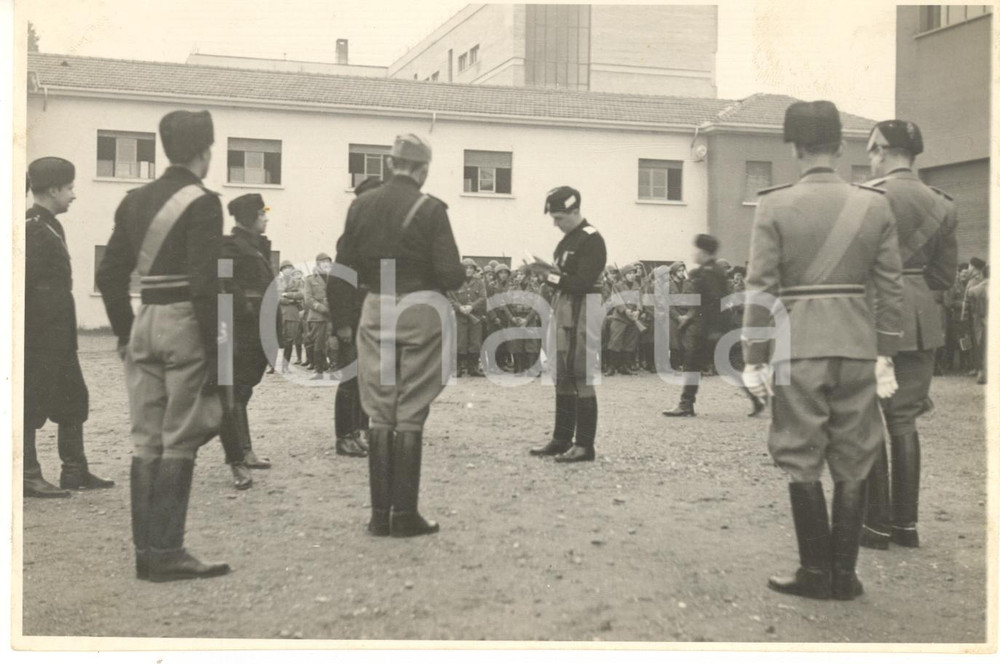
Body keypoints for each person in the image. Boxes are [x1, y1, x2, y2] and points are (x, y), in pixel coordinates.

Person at [742, 100, 903, 600]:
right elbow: (891, 289)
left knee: (800, 454)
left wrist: (752, 357)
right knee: (855, 457)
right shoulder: (874, 204)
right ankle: (845, 575)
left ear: (793, 147)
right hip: (857, 345)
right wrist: (886, 352)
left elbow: (760, 288)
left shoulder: (773, 205)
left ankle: (815, 572)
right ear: (839, 145)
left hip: (797, 347)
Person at [97, 109, 229, 581]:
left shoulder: (134, 200)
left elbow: (109, 274)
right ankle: (169, 550)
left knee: (145, 440)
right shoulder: (205, 202)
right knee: (179, 440)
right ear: (204, 151)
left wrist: (122, 331)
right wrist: (220, 349)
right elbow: (205, 283)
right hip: (185, 322)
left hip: (145, 319)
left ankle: (145, 554)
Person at [330, 133, 465, 537]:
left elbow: (343, 268)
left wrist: (345, 316)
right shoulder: (431, 209)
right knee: (410, 411)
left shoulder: (360, 206)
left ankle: (379, 516)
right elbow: (451, 274)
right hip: (420, 308)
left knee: (380, 409)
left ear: (390, 165)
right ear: (423, 169)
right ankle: (404, 515)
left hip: (375, 307)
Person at [859, 120, 958, 550]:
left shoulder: (868, 196)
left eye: (871, 149)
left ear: (882, 148)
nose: (870, 157)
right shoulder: (942, 203)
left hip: (871, 314)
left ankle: (875, 526)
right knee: (904, 420)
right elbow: (943, 276)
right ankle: (906, 526)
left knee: (866, 419)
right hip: (920, 320)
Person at [24, 157, 114, 497]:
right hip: (38, 336)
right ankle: (27, 474)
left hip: (58, 334)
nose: (74, 195)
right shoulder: (33, 227)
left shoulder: (48, 224)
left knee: (73, 398)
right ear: (53, 190)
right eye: (70, 188)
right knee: (30, 403)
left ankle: (74, 470)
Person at [527, 186, 607, 463]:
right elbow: (564, 277)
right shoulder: (567, 241)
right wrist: (547, 270)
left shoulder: (591, 239)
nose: (555, 223)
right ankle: (561, 439)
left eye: (560, 217)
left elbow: (582, 282)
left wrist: (547, 276)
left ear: (575, 211)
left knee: (581, 372)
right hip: (565, 306)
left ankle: (585, 445)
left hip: (584, 307)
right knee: (561, 372)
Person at [663, 234, 764, 417]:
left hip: (710, 329)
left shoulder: (710, 273)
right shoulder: (711, 270)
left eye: (697, 250)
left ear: (704, 252)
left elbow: (716, 303)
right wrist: (691, 317)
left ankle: (686, 405)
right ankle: (756, 398)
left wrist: (712, 329)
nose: (694, 254)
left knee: (696, 364)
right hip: (710, 328)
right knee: (722, 367)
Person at [216, 193, 277, 490]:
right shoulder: (230, 246)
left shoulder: (257, 247)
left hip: (257, 327)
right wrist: (246, 307)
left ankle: (245, 450)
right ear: (248, 218)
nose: (266, 217)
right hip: (242, 327)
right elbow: (224, 283)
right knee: (238, 391)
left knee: (245, 389)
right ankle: (241, 454)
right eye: (261, 214)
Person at [327, 176, 382, 459]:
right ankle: (344, 436)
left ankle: (360, 431)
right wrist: (343, 324)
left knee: (366, 378)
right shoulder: (350, 239)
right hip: (354, 319)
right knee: (349, 379)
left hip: (372, 318)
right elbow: (337, 284)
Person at [449, 258, 487, 377]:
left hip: (475, 316)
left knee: (475, 342)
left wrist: (472, 307)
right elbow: (450, 298)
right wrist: (459, 308)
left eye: (471, 268)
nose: (469, 270)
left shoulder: (479, 282)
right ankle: (458, 368)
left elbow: (483, 298)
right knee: (460, 343)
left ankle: (473, 368)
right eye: (466, 268)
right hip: (460, 317)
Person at [303, 253, 334, 379]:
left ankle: (334, 368)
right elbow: (308, 299)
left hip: (333, 315)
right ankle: (318, 370)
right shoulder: (310, 279)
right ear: (317, 264)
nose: (326, 264)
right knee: (318, 343)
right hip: (318, 315)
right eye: (323, 262)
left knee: (333, 342)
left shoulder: (334, 278)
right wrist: (323, 309)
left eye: (328, 262)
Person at [277, 261, 304, 372]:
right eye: (285, 268)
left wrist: (286, 294)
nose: (288, 269)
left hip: (292, 313)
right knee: (277, 338)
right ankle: (271, 365)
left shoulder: (298, 282)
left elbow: (301, 294)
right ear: (282, 270)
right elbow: (275, 296)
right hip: (279, 313)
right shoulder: (277, 282)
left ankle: (285, 366)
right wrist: (290, 300)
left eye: (290, 267)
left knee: (290, 340)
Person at [967, 265, 989, 385]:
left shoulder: (974, 290)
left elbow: (972, 309)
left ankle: (982, 372)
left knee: (981, 345)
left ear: (982, 274)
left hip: (980, 321)